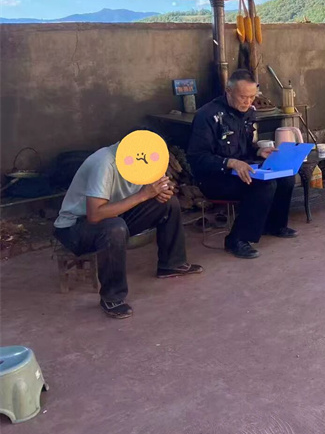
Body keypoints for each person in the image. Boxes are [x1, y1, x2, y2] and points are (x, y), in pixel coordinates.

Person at [53, 132, 203, 319]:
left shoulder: (148, 160)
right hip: (75, 227)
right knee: (115, 228)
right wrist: (144, 195)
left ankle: (172, 263)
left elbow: (154, 190)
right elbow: (95, 215)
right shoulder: (105, 164)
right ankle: (112, 297)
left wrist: (161, 193)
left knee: (168, 204)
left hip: (116, 215)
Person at [187, 69, 296, 259]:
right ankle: (236, 239)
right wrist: (230, 163)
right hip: (214, 177)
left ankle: (274, 225)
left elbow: (244, 146)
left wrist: (258, 151)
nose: (248, 102)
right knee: (263, 185)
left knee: (286, 176)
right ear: (228, 91)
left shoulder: (248, 112)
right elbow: (197, 157)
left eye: (252, 97)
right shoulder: (207, 116)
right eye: (243, 97)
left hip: (242, 169)